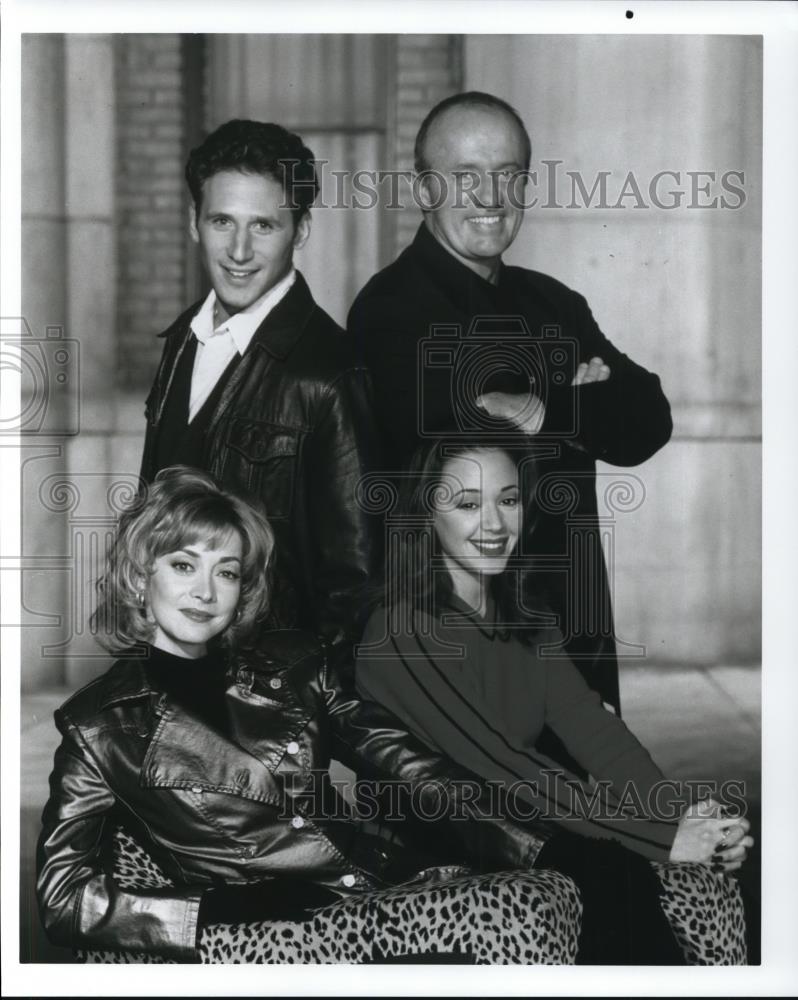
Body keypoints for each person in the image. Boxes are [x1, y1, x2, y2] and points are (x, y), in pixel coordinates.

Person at [36, 467, 600, 965]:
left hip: (380, 889)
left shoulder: (298, 665)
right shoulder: (96, 728)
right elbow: (62, 898)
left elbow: (414, 770)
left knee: (557, 885)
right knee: (521, 905)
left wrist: (536, 843)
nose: (205, 591)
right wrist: (209, 910)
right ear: (140, 577)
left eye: (227, 572)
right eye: (184, 565)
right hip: (277, 935)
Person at [355, 426, 754, 964]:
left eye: (509, 499)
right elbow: (505, 767)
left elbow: (594, 731)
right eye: (468, 504)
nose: (494, 524)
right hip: (442, 846)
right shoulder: (401, 629)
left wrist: (682, 813)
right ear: (426, 513)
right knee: (615, 871)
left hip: (524, 824)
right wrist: (665, 837)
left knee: (747, 854)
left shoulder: (526, 614)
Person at [348, 91, 673, 724]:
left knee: (594, 816)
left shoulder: (555, 303)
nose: (490, 197)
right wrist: (575, 396)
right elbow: (456, 418)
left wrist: (542, 408)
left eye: (508, 175)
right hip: (455, 654)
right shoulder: (388, 308)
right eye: (464, 176)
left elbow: (647, 421)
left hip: (572, 636)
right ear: (423, 190)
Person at [140, 119, 377, 647]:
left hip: (271, 700)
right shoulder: (182, 339)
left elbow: (356, 587)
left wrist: (309, 717)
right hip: (173, 667)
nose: (239, 251)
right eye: (223, 221)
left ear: (302, 230)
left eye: (263, 226)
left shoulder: (331, 372)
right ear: (193, 222)